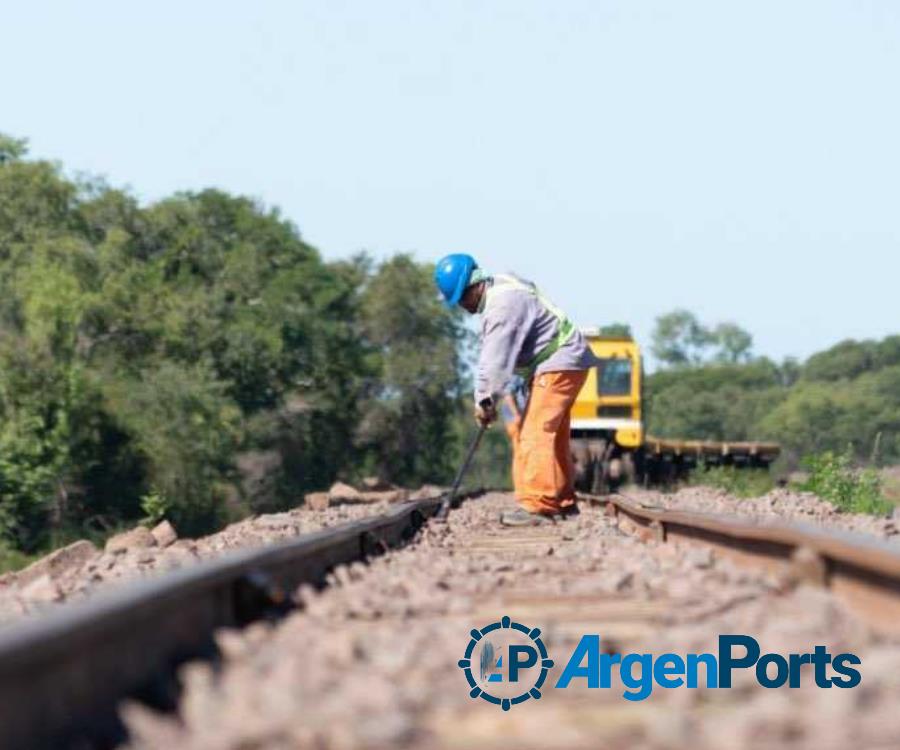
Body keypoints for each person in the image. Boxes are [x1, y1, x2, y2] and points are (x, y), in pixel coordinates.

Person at [434, 253, 593, 525]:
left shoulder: (500, 308)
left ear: (474, 286)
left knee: (534, 432)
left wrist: (484, 401)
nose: (461, 305)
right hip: (564, 359)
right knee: (553, 436)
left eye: (461, 298)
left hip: (558, 361)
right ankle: (563, 502)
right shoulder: (503, 285)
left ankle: (538, 506)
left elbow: (494, 363)